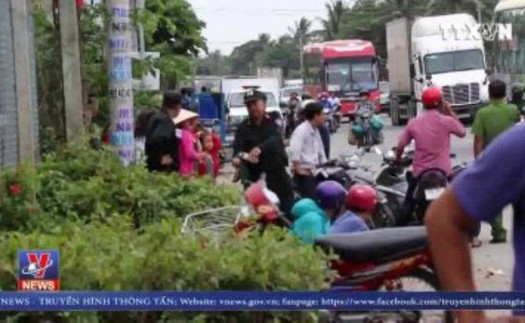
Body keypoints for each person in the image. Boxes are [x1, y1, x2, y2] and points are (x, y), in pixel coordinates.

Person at [425, 124, 525, 323]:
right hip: (446, 174)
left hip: (430, 176)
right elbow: (443, 218)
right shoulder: (518, 140)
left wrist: (479, 155)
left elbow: (474, 137)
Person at [395, 86, 466, 226]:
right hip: (444, 171)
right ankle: (470, 236)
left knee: (408, 203)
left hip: (420, 172)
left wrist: (398, 160)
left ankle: (396, 235)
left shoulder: (414, 122)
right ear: (441, 103)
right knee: (460, 202)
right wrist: (450, 111)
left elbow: (401, 145)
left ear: (422, 103)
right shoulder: (446, 121)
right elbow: (462, 132)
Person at [471, 79, 521, 244]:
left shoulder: (483, 113)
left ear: (490, 94)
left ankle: (499, 232)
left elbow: (478, 140)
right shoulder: (513, 110)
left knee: (495, 195)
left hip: (493, 160)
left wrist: (478, 160)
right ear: (504, 93)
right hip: (514, 157)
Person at [232, 89, 295, 218]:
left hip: (276, 174)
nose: (252, 107)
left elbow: (276, 138)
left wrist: (259, 148)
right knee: (258, 213)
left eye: (255, 104)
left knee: (286, 209)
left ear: (264, 104)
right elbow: (237, 148)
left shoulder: (274, 118)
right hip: (255, 177)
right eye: (249, 105)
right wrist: (238, 158)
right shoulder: (243, 127)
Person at [289, 101, 327, 199]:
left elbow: (320, 150)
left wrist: (326, 164)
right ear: (315, 116)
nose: (324, 117)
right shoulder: (301, 130)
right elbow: (294, 150)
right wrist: (297, 168)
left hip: (315, 170)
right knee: (312, 199)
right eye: (322, 114)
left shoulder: (315, 130)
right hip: (305, 173)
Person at [145, 91, 182, 173]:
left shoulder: (158, 117)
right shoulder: (164, 121)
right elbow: (156, 139)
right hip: (162, 170)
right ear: (177, 106)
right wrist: (160, 158)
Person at [174, 109, 204, 178]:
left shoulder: (179, 133)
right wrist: (199, 155)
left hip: (179, 168)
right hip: (186, 170)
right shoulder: (187, 135)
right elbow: (190, 154)